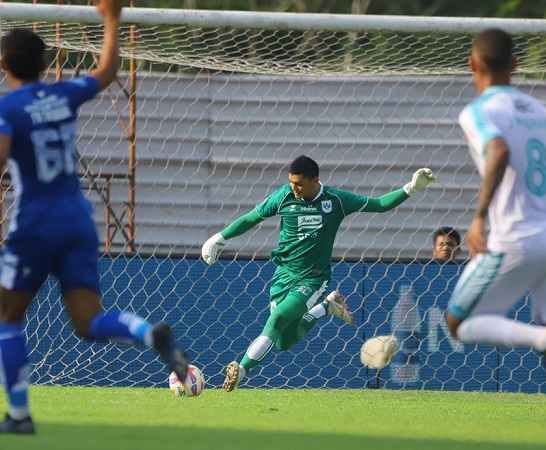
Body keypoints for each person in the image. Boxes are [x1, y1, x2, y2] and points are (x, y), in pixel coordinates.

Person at [0, 0, 188, 434]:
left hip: (34, 224)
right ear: (46, 62)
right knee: (88, 323)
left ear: (4, 63)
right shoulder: (63, 94)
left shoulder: (8, 111)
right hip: (78, 222)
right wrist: (111, 19)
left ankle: (20, 415)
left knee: (8, 319)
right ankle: (147, 333)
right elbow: (105, 72)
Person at [444, 28, 546, 449]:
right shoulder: (538, 110)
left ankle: (542, 338)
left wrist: (478, 219)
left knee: (457, 323)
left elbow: (498, 151)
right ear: (515, 65)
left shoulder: (477, 111)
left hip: (516, 238)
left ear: (473, 65)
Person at [202, 155, 436, 392]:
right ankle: (327, 307)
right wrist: (219, 238)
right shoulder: (283, 196)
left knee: (277, 320)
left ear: (315, 180)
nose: (294, 188)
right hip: (283, 276)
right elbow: (251, 218)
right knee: (283, 341)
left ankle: (240, 370)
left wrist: (411, 188)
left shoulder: (336, 200)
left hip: (312, 279)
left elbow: (379, 205)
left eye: (299, 184)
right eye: (291, 182)